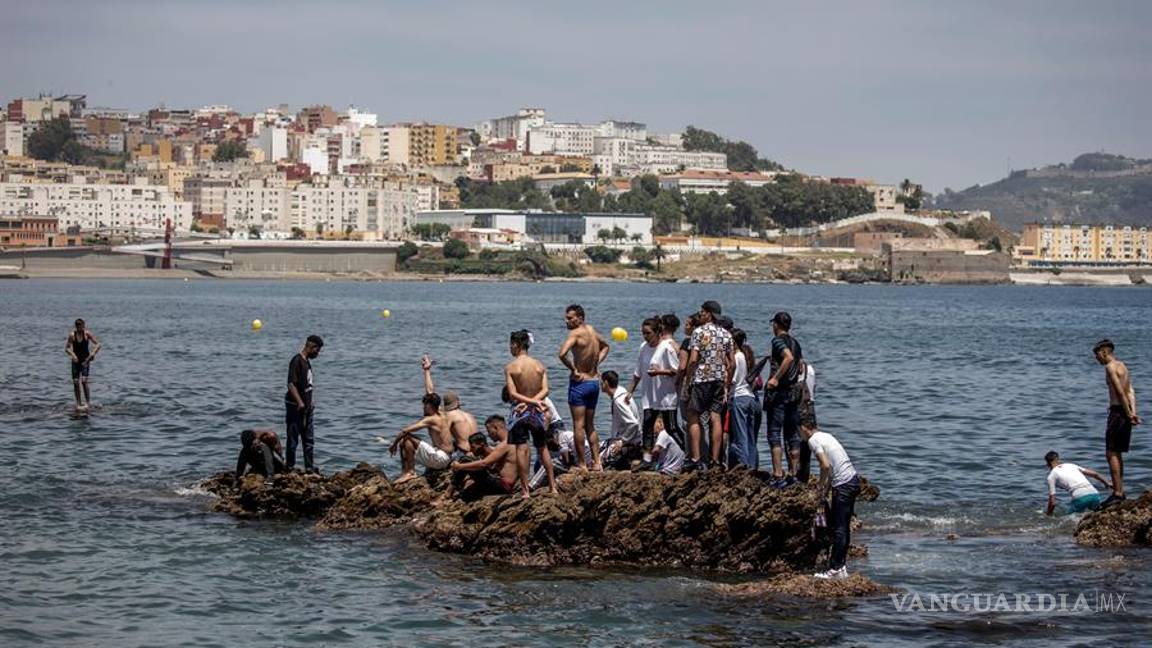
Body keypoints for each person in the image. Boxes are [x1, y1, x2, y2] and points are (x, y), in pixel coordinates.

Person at [800, 405, 860, 580]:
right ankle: (841, 567)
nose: (800, 435)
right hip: (852, 480)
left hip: (843, 485)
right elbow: (829, 467)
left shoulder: (813, 440)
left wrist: (819, 485)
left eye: (799, 431)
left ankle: (834, 568)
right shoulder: (826, 436)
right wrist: (825, 490)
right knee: (844, 527)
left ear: (804, 427)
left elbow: (825, 465)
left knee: (839, 528)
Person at [558, 304, 611, 471]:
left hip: (580, 384)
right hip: (594, 382)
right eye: (566, 317)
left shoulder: (575, 333)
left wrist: (573, 369)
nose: (566, 321)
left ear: (580, 318)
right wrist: (596, 363)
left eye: (570, 318)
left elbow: (561, 354)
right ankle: (597, 462)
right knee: (590, 425)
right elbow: (606, 346)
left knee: (578, 425)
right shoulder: (591, 330)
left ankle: (582, 464)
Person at [507, 330, 558, 496]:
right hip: (536, 412)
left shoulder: (511, 367)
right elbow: (546, 390)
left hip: (520, 412)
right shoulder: (539, 365)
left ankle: (525, 490)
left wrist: (526, 403)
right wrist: (534, 402)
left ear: (516, 344)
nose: (510, 348)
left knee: (522, 450)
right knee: (542, 449)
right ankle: (552, 486)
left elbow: (512, 394)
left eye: (511, 344)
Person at [684, 301, 734, 471]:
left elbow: (692, 360)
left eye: (702, 312)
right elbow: (732, 364)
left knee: (693, 415)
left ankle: (696, 458)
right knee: (716, 417)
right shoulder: (726, 334)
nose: (700, 315)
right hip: (719, 379)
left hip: (702, 378)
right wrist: (727, 384)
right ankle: (715, 460)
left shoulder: (699, 332)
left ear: (709, 314)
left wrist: (688, 381)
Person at [626, 317, 680, 466]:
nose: (645, 336)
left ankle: (688, 455)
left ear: (658, 332)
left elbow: (677, 371)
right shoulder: (643, 347)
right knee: (647, 426)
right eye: (643, 333)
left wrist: (659, 372)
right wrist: (630, 391)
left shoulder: (666, 348)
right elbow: (638, 372)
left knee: (671, 428)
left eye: (648, 333)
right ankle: (647, 460)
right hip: (649, 395)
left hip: (666, 395)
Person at [1093, 339, 1140, 507]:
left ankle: (1118, 493)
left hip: (1118, 413)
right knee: (1118, 452)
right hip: (1126, 412)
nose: (1096, 358)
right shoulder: (1123, 366)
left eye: (1097, 354)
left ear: (1104, 352)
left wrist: (1128, 414)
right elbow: (1130, 390)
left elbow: (1120, 392)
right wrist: (1133, 412)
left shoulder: (1110, 367)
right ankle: (1121, 491)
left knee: (1111, 453)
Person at [764, 312, 806, 482]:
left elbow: (788, 358)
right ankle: (794, 473)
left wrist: (775, 378)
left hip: (779, 393)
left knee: (774, 433)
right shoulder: (796, 342)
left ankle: (778, 473)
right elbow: (801, 365)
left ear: (776, 325)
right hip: (794, 393)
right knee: (792, 435)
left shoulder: (777, 340)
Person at [380, 392, 454, 484]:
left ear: (430, 406)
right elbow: (430, 389)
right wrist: (427, 376)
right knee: (404, 441)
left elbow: (405, 431)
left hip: (441, 459)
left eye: (425, 405)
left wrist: (393, 445)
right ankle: (405, 473)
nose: (423, 407)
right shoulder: (442, 414)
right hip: (446, 458)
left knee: (406, 437)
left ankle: (410, 472)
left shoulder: (431, 419)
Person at [422, 354, 478, 454]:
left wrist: (427, 371)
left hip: (464, 452)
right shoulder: (469, 415)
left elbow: (430, 394)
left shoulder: (450, 415)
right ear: (458, 403)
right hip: (478, 452)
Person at [285, 335, 323, 473]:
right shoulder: (297, 361)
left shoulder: (306, 362)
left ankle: (309, 467)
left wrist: (310, 402)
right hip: (295, 407)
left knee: (308, 440)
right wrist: (300, 402)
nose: (318, 354)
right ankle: (289, 467)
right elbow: (291, 384)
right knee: (293, 438)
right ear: (311, 347)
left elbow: (307, 385)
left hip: (307, 408)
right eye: (317, 351)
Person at [451, 432, 520, 498]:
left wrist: (459, 466)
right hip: (497, 482)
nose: (471, 450)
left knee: (465, 460)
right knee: (465, 494)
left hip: (501, 484)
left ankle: (449, 491)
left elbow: (485, 465)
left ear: (481, 444)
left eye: (473, 447)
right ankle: (456, 488)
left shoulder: (495, 452)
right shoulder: (481, 456)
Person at [727, 328, 759, 469]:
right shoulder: (745, 356)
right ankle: (752, 466)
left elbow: (733, 381)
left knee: (740, 436)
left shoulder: (736, 357)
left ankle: (743, 465)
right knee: (750, 435)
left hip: (739, 397)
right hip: (750, 397)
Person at [1044, 451, 1112, 515]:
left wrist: (1048, 515)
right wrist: (1106, 483)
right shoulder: (1071, 465)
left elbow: (1052, 502)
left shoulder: (1051, 476)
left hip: (1080, 497)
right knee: (1095, 514)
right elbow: (1095, 474)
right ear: (1058, 459)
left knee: (1069, 518)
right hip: (1095, 494)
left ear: (1047, 464)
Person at [600, 370, 642, 469]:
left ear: (606, 383)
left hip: (629, 442)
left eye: (601, 382)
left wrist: (622, 442)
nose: (600, 384)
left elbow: (633, 423)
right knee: (594, 448)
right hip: (620, 438)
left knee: (599, 460)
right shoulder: (622, 394)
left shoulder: (619, 401)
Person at [65, 318, 101, 410]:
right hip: (75, 361)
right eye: (78, 327)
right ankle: (78, 403)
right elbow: (67, 348)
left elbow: (98, 344)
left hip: (85, 360)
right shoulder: (72, 335)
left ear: (84, 326)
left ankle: (88, 403)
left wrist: (93, 353)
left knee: (84, 381)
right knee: (76, 382)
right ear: (76, 327)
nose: (80, 329)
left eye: (82, 326)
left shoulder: (87, 334)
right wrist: (73, 355)